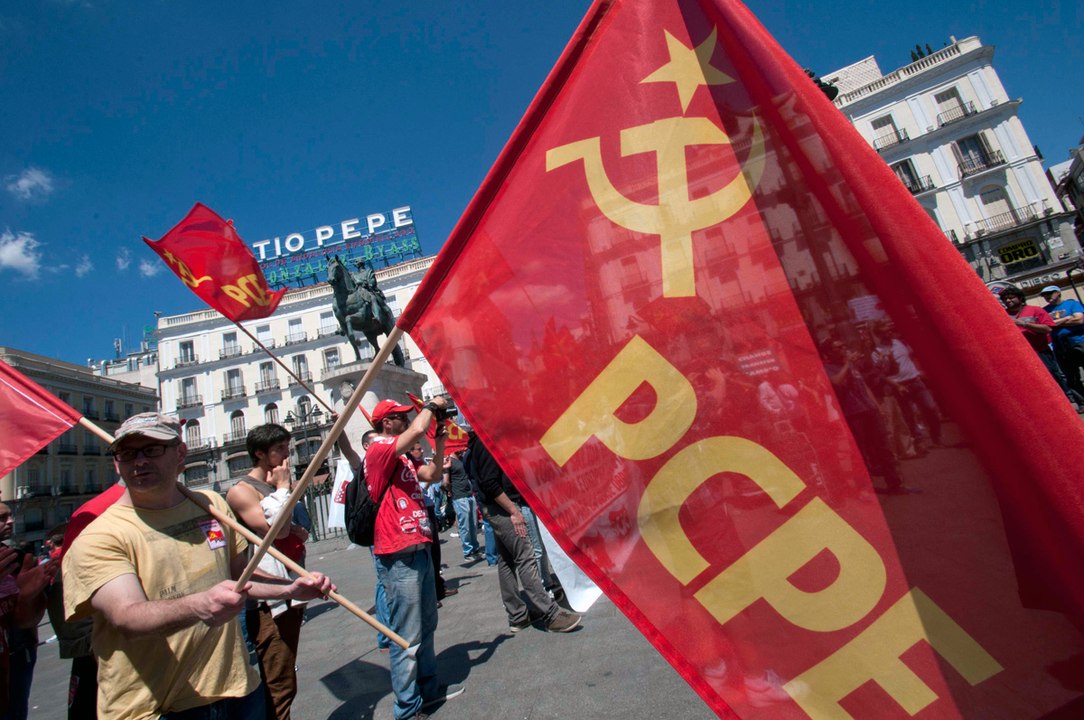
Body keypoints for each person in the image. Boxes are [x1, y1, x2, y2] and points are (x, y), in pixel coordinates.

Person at [62, 412, 333, 720]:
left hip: (237, 689)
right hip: (155, 708)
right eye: (126, 453)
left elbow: (239, 575)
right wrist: (200, 605)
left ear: (180, 453)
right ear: (116, 462)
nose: (138, 462)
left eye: (151, 450)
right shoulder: (100, 536)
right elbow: (126, 615)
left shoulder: (210, 504)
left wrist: (288, 587)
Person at [366, 398, 463, 720]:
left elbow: (433, 475)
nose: (407, 421)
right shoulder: (379, 451)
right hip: (397, 551)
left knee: (427, 625)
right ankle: (407, 708)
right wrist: (432, 407)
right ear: (385, 423)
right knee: (405, 635)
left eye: (407, 416)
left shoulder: (404, 457)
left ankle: (429, 688)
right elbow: (420, 425)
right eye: (399, 417)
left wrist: (439, 439)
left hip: (419, 547)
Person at [226, 424, 314, 720]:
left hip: (290, 585)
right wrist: (283, 488)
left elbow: (289, 528)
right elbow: (276, 530)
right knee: (278, 681)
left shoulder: (276, 484)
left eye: (287, 447)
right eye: (279, 449)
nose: (286, 455)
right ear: (259, 454)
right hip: (267, 598)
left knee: (286, 674)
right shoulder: (242, 490)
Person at [467, 432, 582, 634]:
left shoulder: (484, 439)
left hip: (497, 508)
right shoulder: (485, 441)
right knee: (525, 556)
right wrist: (513, 511)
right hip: (503, 510)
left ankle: (518, 616)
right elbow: (489, 483)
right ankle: (550, 614)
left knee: (507, 561)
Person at [1, 502, 57, 720]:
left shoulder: (14, 558)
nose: (11, 521)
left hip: (18, 654)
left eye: (9, 515)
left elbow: (24, 622)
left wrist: (29, 597)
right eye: (1, 518)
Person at [1001, 286, 1082, 409]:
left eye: (1011, 298)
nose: (1008, 301)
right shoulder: (1002, 315)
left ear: (1020, 298)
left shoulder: (1035, 310)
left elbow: (1048, 328)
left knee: (1056, 375)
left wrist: (1024, 324)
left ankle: (1071, 400)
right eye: (1005, 299)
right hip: (1020, 354)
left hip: (1042, 350)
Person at [1041, 285, 1084, 400]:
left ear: (1058, 293)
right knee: (1071, 376)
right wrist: (1066, 319)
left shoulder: (1072, 304)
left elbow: (1079, 320)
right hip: (1059, 344)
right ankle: (1081, 401)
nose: (1047, 297)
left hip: (1078, 340)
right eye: (1044, 295)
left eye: (1049, 294)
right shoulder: (1044, 311)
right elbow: (1046, 326)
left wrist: (1054, 322)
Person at [444, 451, 482, 561]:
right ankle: (468, 552)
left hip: (469, 494)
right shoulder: (448, 459)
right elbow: (445, 482)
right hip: (459, 496)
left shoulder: (460, 458)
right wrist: (451, 490)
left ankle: (475, 549)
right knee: (465, 526)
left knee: (473, 524)